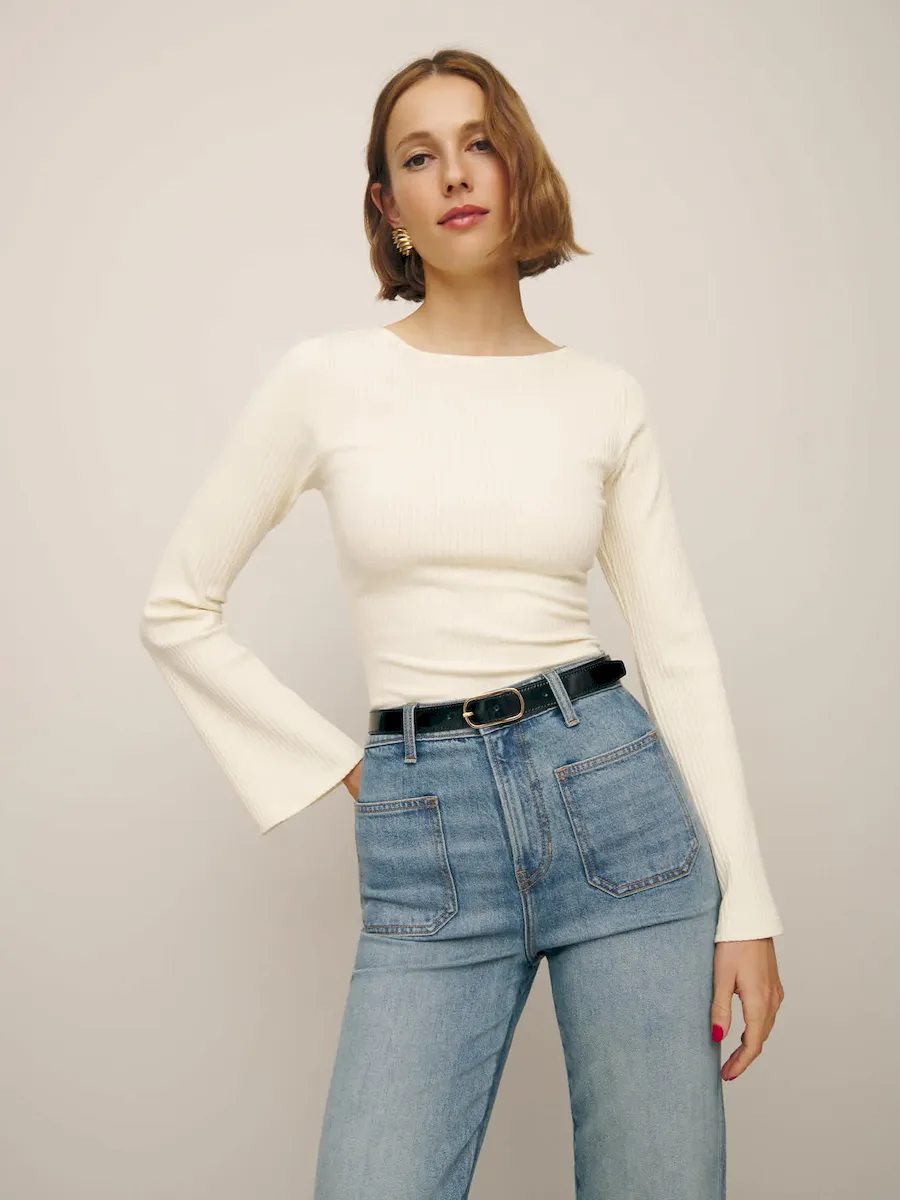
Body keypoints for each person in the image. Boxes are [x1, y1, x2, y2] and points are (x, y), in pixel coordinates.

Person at [139, 46, 785, 1200]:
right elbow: (176, 609)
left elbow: (678, 650)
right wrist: (357, 770)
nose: (453, 174)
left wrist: (751, 907)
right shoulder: (323, 381)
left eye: (479, 142)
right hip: (426, 832)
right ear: (388, 208)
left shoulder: (603, 397)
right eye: (418, 157)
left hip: (618, 806)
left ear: (519, 166)